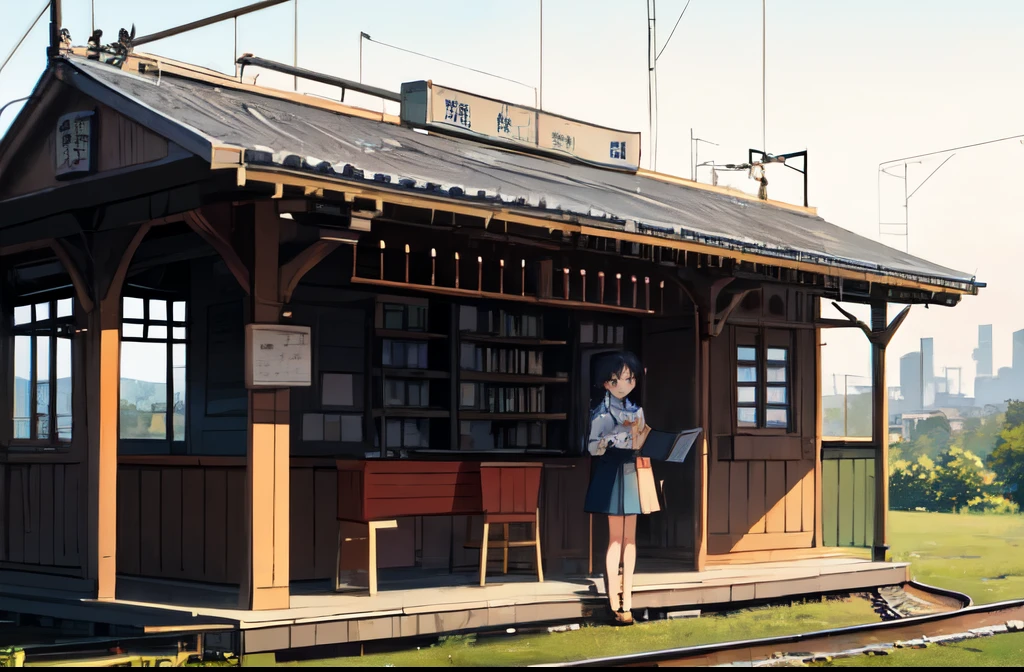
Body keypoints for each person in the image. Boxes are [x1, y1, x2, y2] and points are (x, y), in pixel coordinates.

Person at [583, 350, 652, 625]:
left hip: (631, 470)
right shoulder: (601, 413)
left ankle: (629, 597)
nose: (625, 384)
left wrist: (639, 436)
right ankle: (614, 600)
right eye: (618, 380)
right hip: (611, 470)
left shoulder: (637, 411)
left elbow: (641, 441)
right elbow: (591, 446)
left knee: (631, 539)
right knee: (615, 539)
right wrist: (610, 438)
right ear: (606, 383)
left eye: (630, 379)